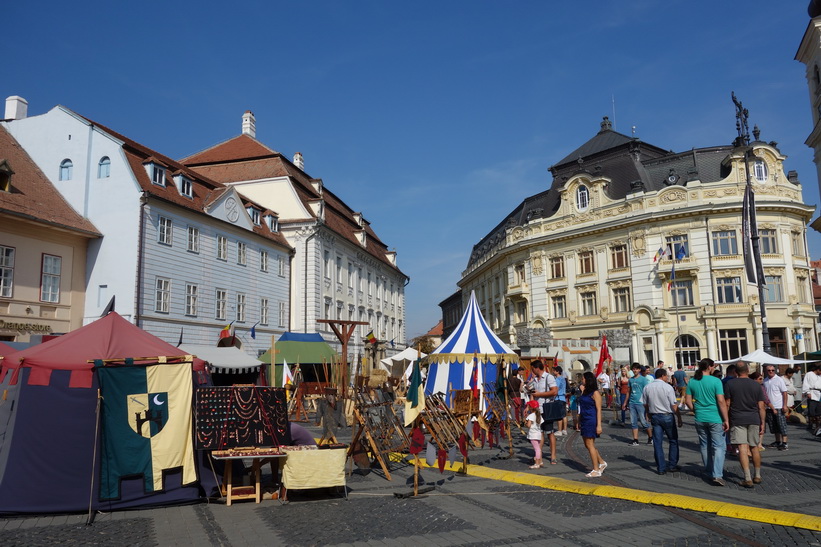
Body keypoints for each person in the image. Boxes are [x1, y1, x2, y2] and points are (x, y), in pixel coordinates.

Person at [684, 358, 728, 486]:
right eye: (713, 366)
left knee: (704, 445)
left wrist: (695, 411)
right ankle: (717, 474)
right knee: (719, 446)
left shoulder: (692, 381)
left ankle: (709, 471)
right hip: (715, 417)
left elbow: (687, 401)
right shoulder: (716, 381)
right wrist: (726, 419)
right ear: (710, 367)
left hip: (700, 418)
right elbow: (721, 401)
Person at [724, 362, 766, 488]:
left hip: (737, 419)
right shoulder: (756, 385)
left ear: (735, 372)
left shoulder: (730, 384)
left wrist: (726, 419)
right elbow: (761, 406)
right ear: (748, 370)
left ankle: (747, 478)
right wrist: (762, 422)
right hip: (754, 418)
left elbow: (727, 403)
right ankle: (757, 475)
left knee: (742, 448)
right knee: (754, 447)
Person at [642, 368, 682, 475]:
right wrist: (679, 417)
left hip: (655, 416)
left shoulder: (647, 387)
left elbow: (645, 403)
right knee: (673, 440)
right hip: (667, 416)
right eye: (666, 376)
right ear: (663, 376)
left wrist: (648, 413)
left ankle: (661, 468)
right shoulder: (668, 387)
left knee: (657, 443)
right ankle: (672, 465)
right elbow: (674, 405)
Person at [529, 360, 558, 465]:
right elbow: (532, 393)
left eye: (532, 369)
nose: (532, 371)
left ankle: (553, 455)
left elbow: (554, 391)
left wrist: (540, 394)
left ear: (537, 368)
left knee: (550, 433)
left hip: (547, 409)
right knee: (539, 433)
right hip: (537, 410)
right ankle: (538, 456)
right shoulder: (535, 380)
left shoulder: (548, 377)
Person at [579, 371, 605, 477]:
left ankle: (596, 469)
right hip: (584, 418)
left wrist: (599, 425)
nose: (582, 380)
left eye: (584, 378)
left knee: (590, 444)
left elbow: (599, 410)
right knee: (587, 444)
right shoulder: (584, 391)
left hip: (591, 419)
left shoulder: (595, 393)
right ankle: (602, 462)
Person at [623, 362, 653, 445]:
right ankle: (635, 439)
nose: (634, 370)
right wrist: (625, 403)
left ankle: (650, 437)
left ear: (639, 370)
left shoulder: (643, 380)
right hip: (632, 403)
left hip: (641, 403)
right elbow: (628, 392)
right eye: (633, 369)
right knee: (633, 422)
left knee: (643, 422)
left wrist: (648, 403)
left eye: (636, 369)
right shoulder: (631, 380)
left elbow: (646, 392)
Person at [762, 365, 790, 450]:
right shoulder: (765, 381)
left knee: (782, 425)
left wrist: (784, 405)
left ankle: (784, 443)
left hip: (779, 406)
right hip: (769, 407)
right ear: (766, 371)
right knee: (773, 425)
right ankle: (777, 441)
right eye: (769, 370)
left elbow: (784, 393)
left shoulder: (779, 380)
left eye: (772, 370)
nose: (771, 371)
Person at [802, 363, 821, 435]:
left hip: (819, 393)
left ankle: (818, 426)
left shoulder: (819, 376)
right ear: (818, 370)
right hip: (812, 393)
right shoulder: (809, 374)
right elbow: (806, 383)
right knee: (812, 411)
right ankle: (811, 423)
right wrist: (808, 392)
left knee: (819, 412)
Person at [524, 400, 543, 469]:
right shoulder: (538, 415)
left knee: (537, 449)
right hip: (538, 434)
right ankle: (540, 461)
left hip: (533, 434)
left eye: (528, 406)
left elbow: (528, 425)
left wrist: (525, 423)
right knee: (538, 448)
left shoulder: (531, 415)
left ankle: (537, 463)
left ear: (531, 408)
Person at [552, 366, 568, 436]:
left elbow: (556, 388)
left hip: (558, 398)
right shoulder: (563, 379)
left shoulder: (557, 379)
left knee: (559, 415)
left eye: (554, 370)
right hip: (563, 398)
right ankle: (564, 429)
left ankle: (559, 430)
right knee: (564, 415)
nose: (553, 371)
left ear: (557, 371)